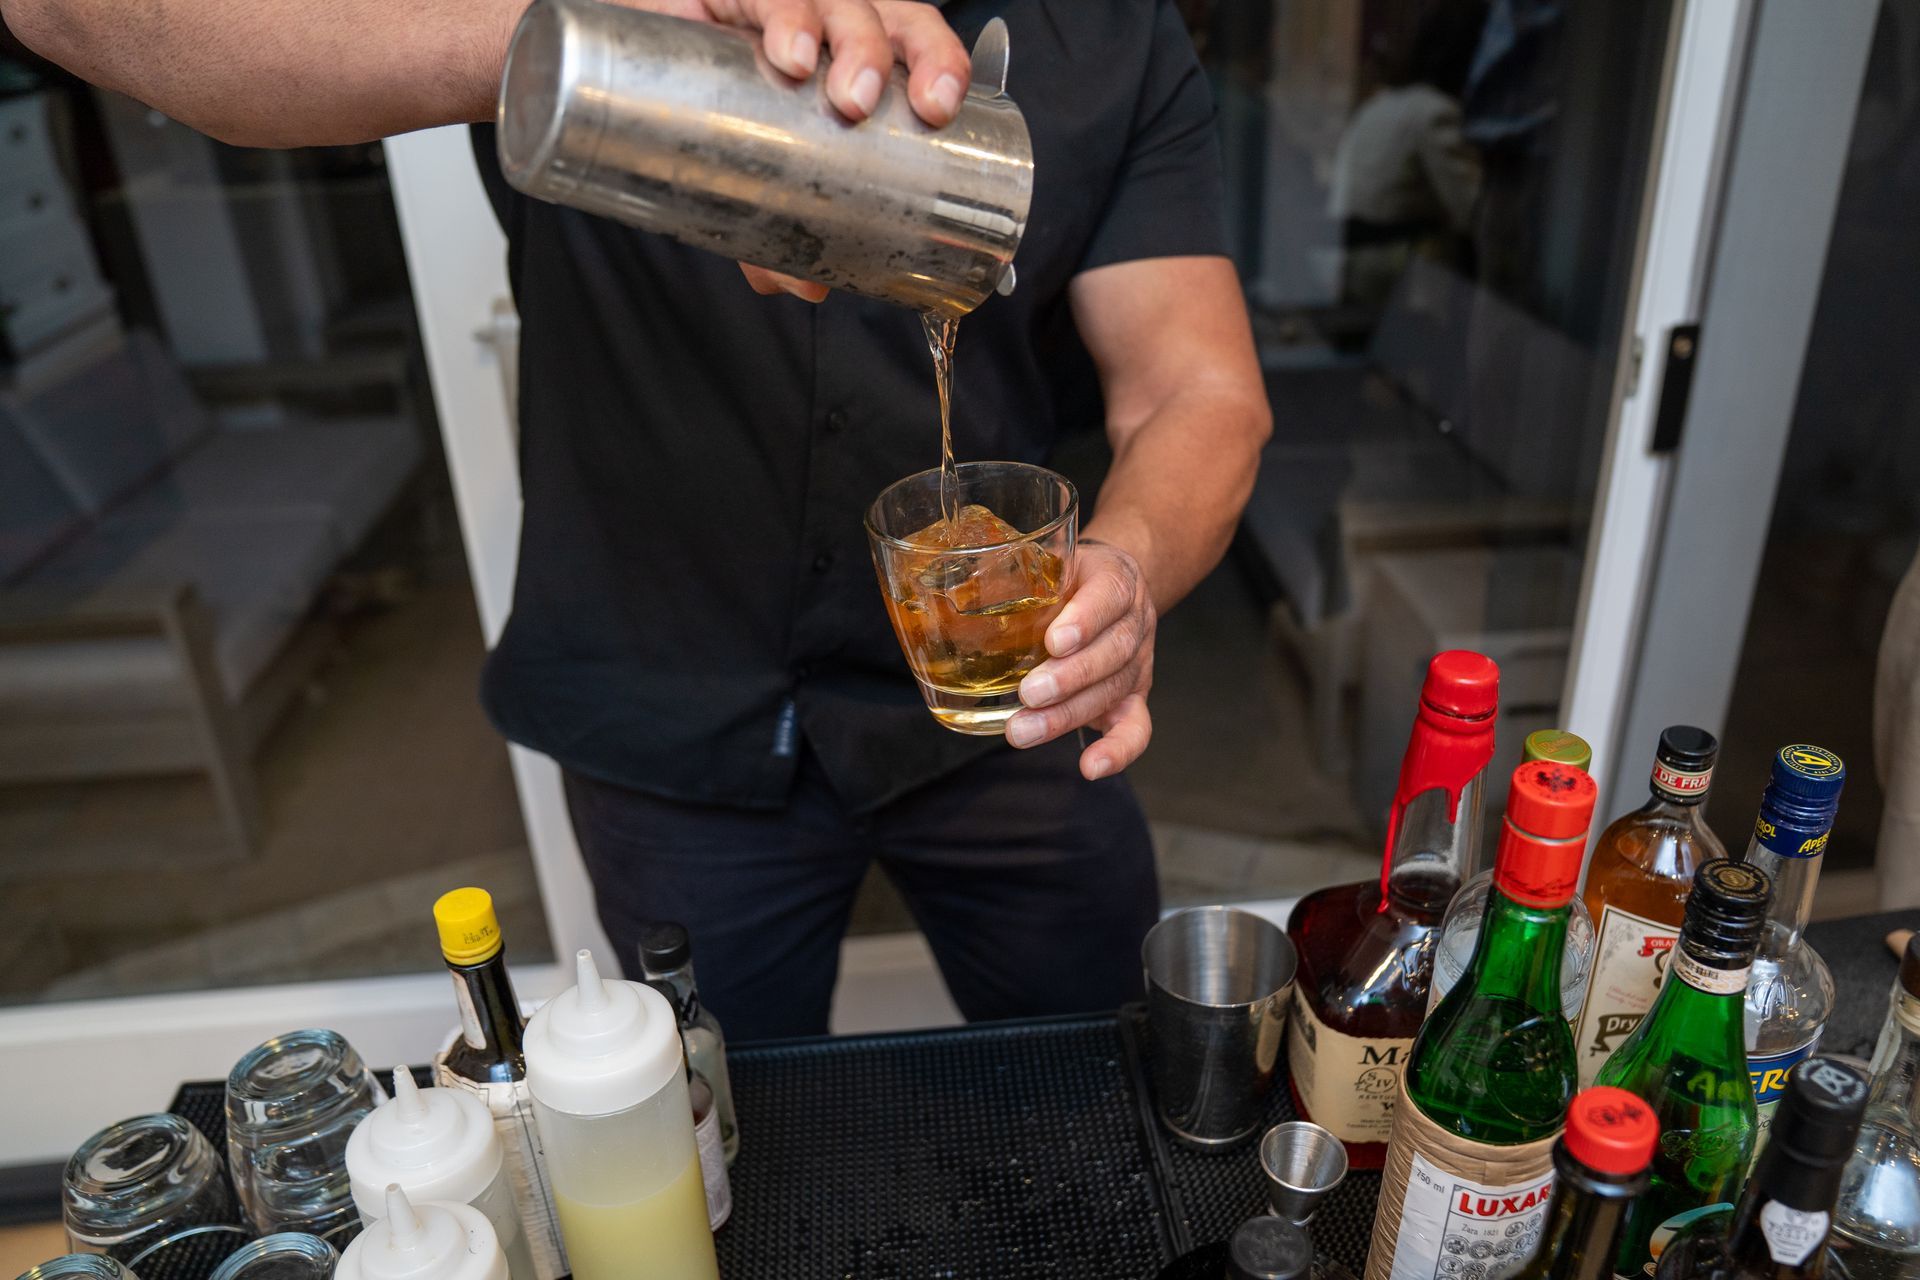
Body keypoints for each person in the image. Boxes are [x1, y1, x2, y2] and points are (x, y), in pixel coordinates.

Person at [5, 0, 1271, 1038]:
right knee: (729, 1137)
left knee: (1112, 1064)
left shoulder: (1108, 37)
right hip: (663, 701)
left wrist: (1128, 566)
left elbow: (1195, 388)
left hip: (1009, 695)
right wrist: (564, 35)